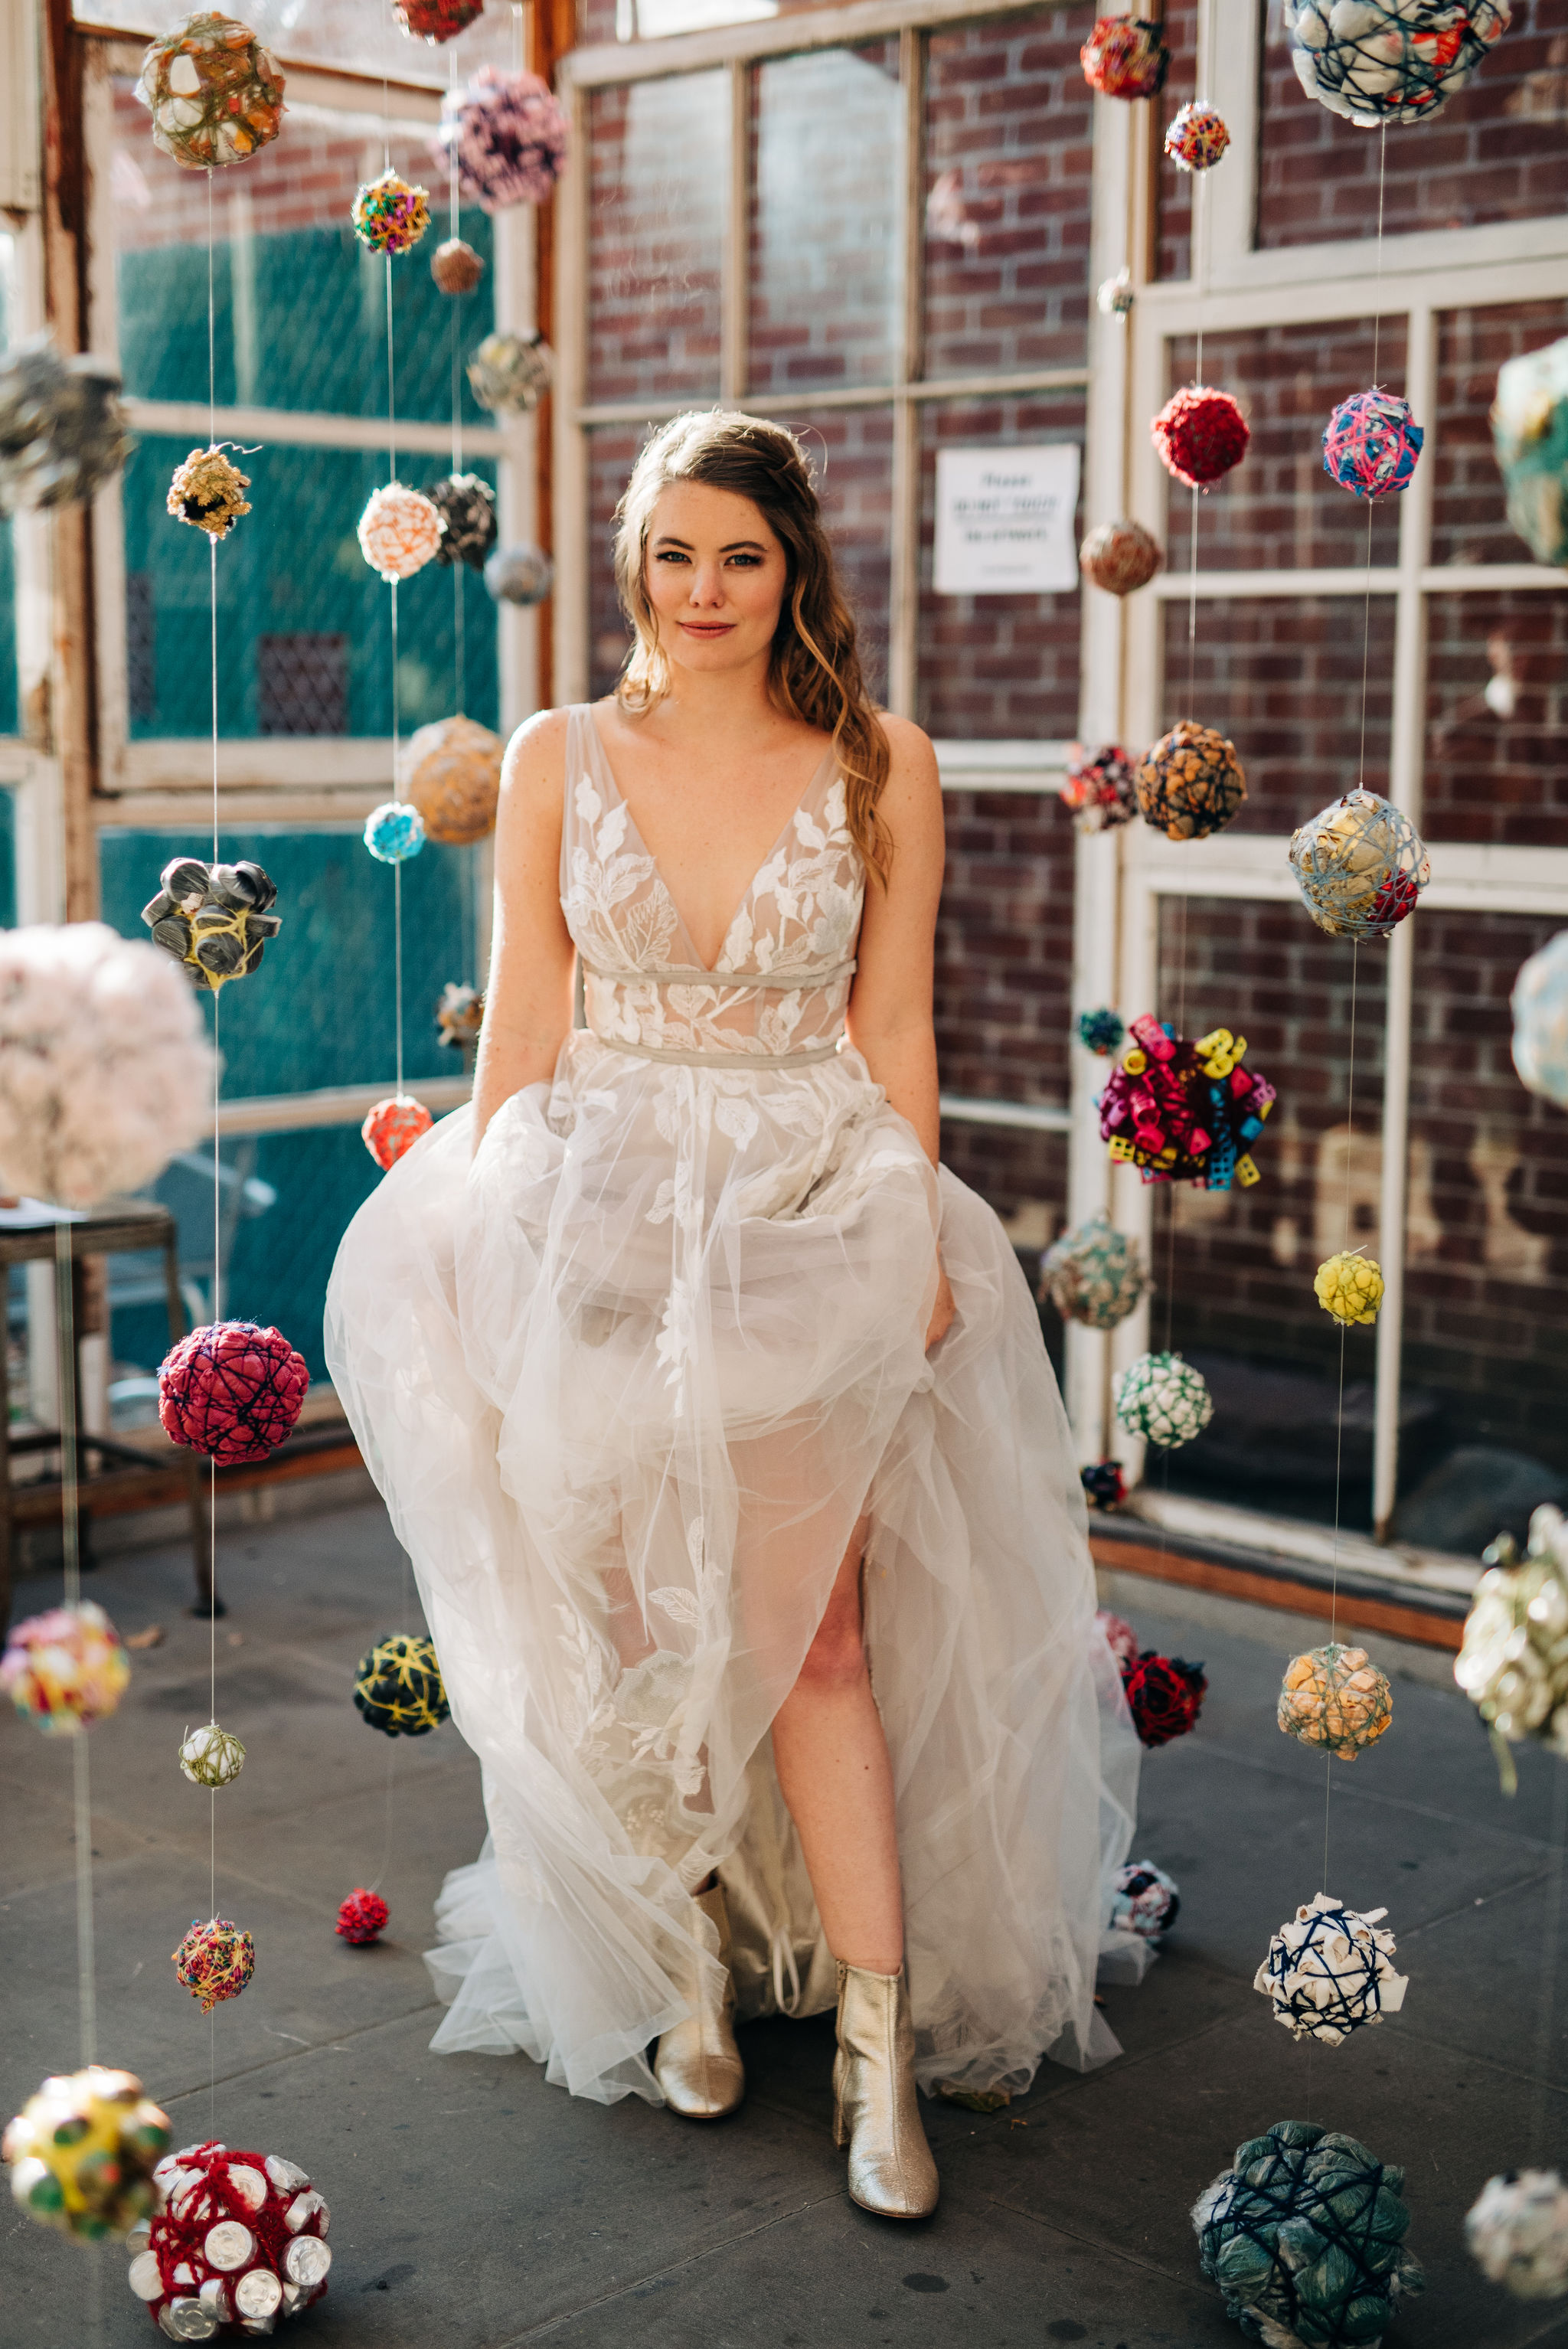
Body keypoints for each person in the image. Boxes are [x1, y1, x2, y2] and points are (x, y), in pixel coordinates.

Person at [326, 410, 1138, 2223]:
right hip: (592, 1202)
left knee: (814, 1631)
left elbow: (901, 1028)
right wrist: (474, 1232)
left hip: (802, 1206)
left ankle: (875, 2042)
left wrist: (919, 1238)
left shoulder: (880, 761)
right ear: (633, 559)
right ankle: (685, 1953)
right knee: (637, 1624)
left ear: (795, 571)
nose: (702, 592)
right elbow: (522, 1030)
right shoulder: (553, 751)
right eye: (673, 553)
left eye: (740, 557)